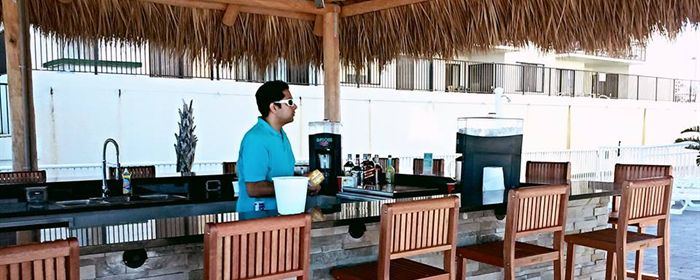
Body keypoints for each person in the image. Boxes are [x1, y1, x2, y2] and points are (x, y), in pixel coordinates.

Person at [236, 81, 319, 213]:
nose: (295, 106)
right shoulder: (255, 139)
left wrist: (305, 181)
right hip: (257, 219)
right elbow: (254, 188)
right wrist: (300, 186)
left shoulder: (281, 135)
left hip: (281, 214)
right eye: (290, 102)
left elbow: (283, 176)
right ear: (274, 107)